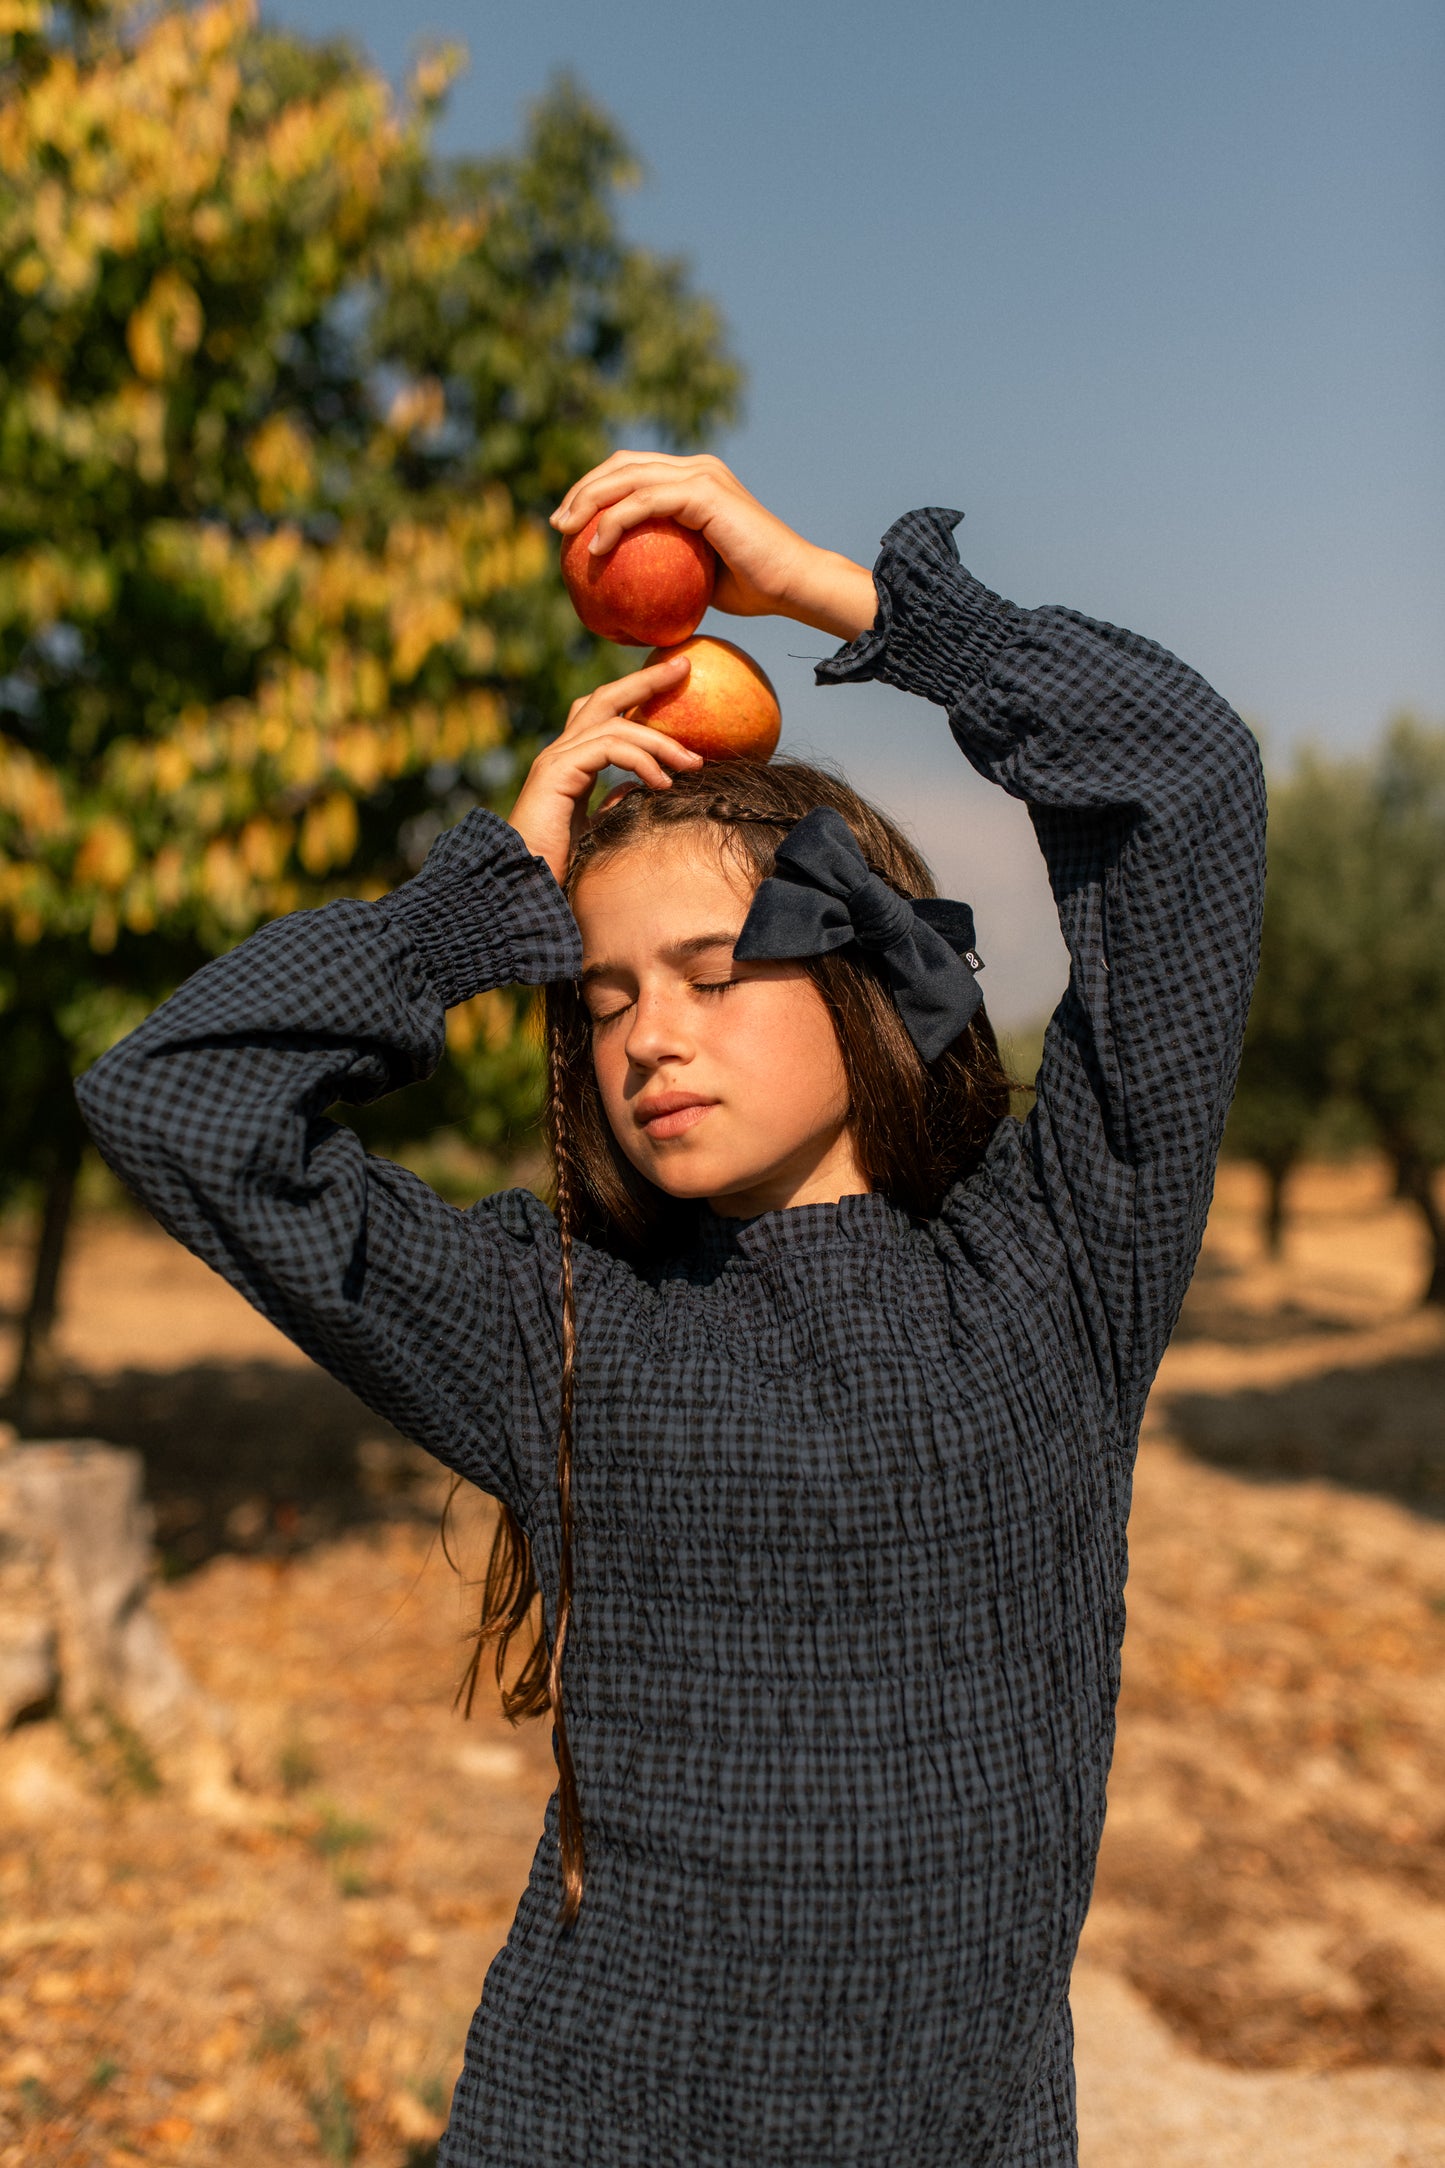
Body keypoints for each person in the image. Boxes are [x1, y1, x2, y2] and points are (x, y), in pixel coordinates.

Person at [76, 452, 1266, 2168]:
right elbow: (175, 1099)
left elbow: (1183, 785)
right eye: (603, 993)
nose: (645, 1035)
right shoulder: (545, 1318)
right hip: (591, 2120)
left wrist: (822, 590)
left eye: (712, 975)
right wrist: (466, 906)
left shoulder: (1060, 1268)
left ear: (868, 976)